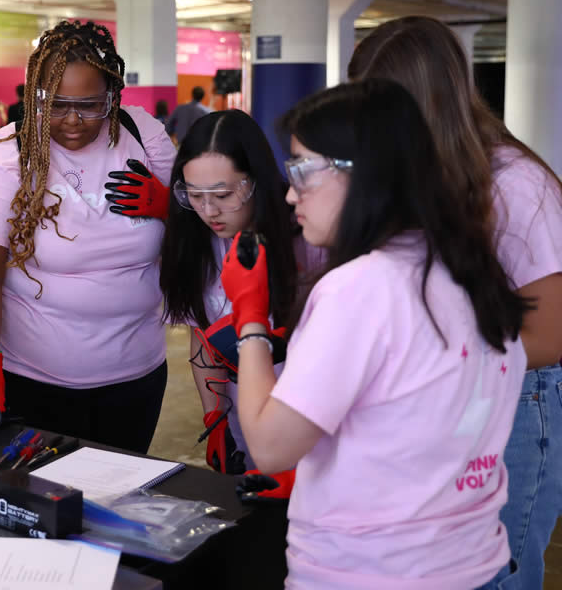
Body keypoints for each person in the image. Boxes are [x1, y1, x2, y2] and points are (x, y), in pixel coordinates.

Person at [222, 79, 528, 588]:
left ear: (363, 173)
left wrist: (249, 315)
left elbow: (272, 447)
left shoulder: (361, 288)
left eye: (302, 169)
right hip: (470, 563)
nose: (292, 192)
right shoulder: (474, 275)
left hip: (369, 570)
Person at [349, 15, 562, 589]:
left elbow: (545, 341)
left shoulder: (514, 183)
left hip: (515, 413)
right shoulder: (415, 173)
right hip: (447, 405)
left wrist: (421, 358)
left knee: (497, 578)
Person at [0, 20, 176, 452]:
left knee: (115, 501)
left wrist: (170, 206)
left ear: (113, 96)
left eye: (90, 105)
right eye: (55, 105)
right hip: (36, 383)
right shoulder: (3, 157)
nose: (72, 120)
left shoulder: (142, 136)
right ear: (36, 96)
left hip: (137, 377)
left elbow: (207, 223)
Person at [150, 110, 318, 501]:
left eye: (223, 195)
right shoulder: (195, 240)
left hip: (310, 414)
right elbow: (202, 339)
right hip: (247, 412)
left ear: (256, 181)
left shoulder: (306, 237)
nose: (208, 211)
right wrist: (216, 416)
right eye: (194, 195)